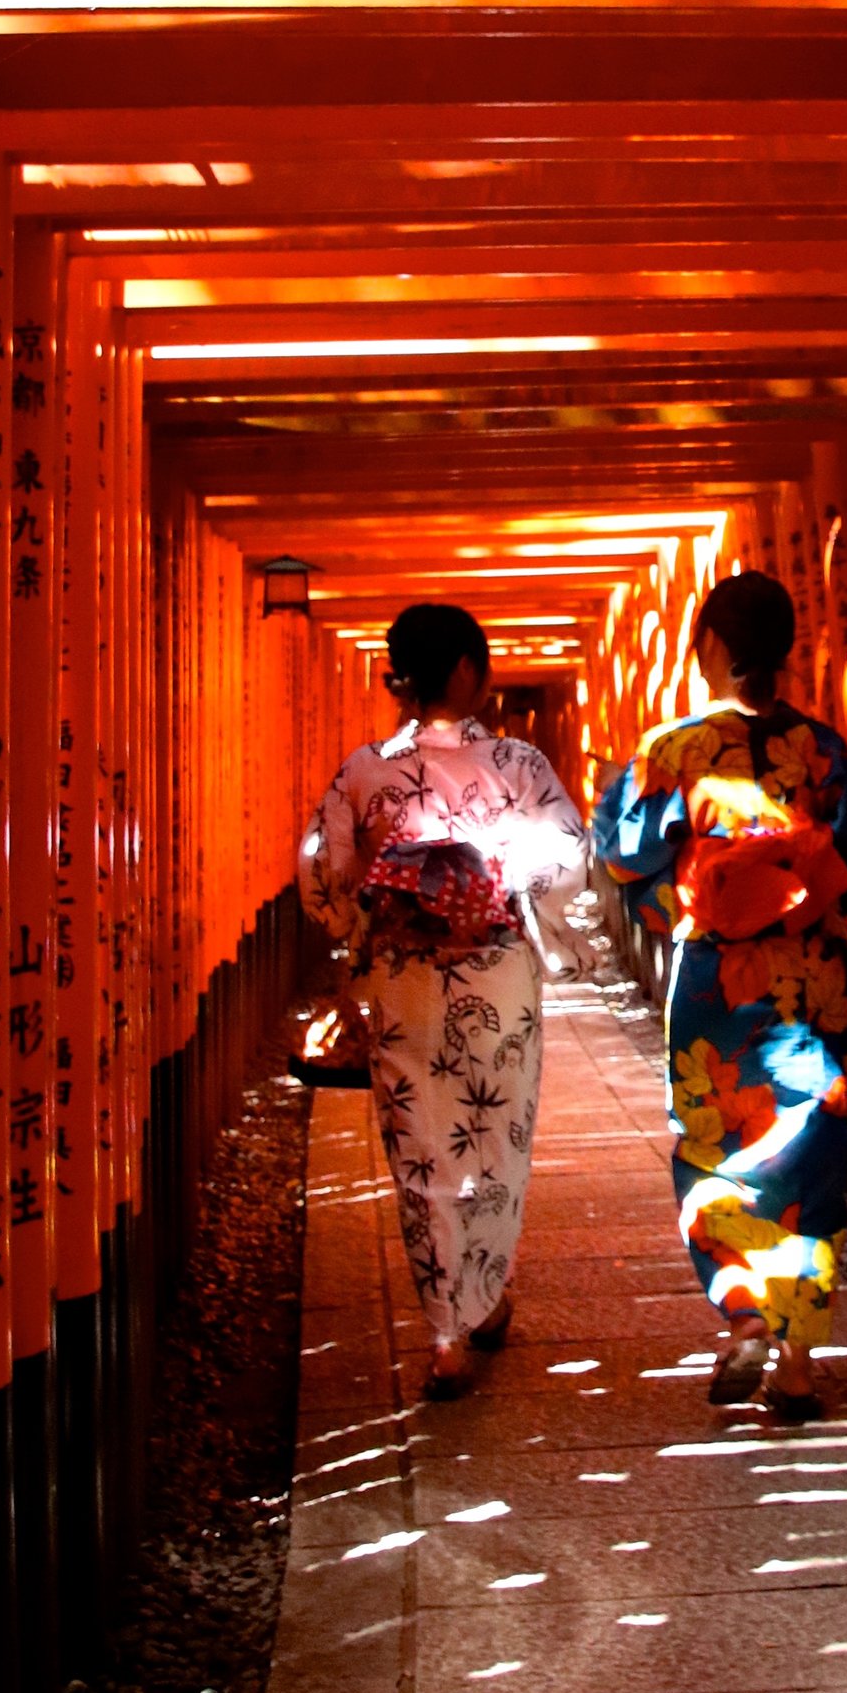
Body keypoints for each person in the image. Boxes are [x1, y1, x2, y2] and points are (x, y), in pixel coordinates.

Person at [597, 569, 847, 1420]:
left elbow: (622, 855)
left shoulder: (674, 749)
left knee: (713, 1150)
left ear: (711, 648)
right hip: (811, 979)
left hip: (715, 986)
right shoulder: (823, 749)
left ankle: (744, 1310)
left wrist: (689, 886)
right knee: (807, 1161)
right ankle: (797, 1369)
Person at [298, 599, 586, 1397]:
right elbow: (566, 861)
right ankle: (483, 1295)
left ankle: (445, 1333)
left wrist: (380, 907)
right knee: (496, 1139)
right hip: (494, 974)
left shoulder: (363, 769)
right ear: (466, 669)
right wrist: (491, 878)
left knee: (422, 1146)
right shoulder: (519, 764)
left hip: (404, 980)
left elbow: (323, 876)